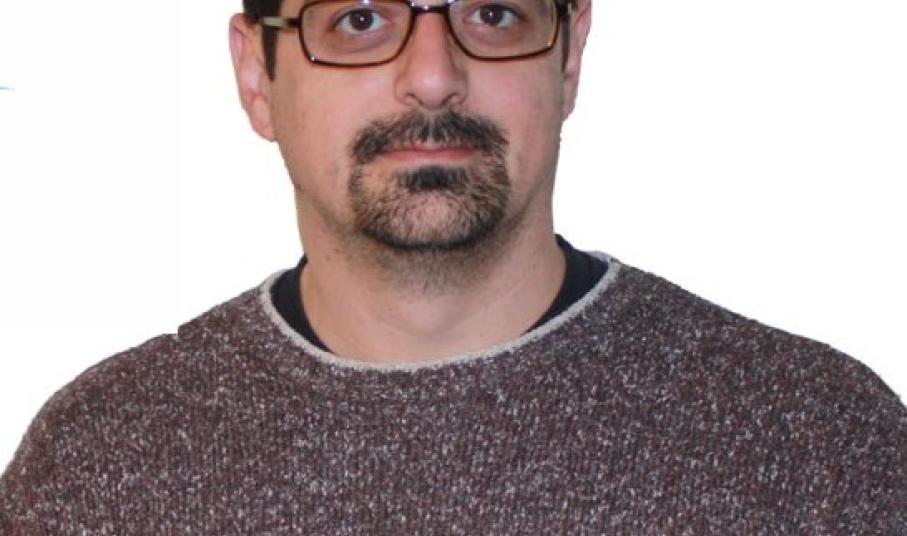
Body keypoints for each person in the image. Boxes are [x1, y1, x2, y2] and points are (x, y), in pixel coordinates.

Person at [1, 0, 905, 532]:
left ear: (570, 59)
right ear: (256, 77)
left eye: (492, 14)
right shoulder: (100, 461)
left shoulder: (818, 445)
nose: (432, 76)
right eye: (358, 19)